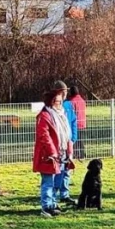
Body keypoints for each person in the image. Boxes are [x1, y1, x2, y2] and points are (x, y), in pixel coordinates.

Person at [34, 82, 75, 217]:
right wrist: (52, 152)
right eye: (57, 101)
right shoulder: (45, 115)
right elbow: (44, 136)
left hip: (61, 152)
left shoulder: (62, 114)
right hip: (48, 155)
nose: (60, 102)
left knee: (58, 179)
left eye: (60, 100)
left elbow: (67, 133)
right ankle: (46, 206)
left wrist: (69, 150)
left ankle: (52, 203)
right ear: (52, 102)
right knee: (48, 181)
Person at [69, 86, 88, 159]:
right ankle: (82, 155)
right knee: (81, 141)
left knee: (74, 140)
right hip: (82, 123)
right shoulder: (82, 101)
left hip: (75, 124)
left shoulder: (71, 102)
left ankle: (75, 155)